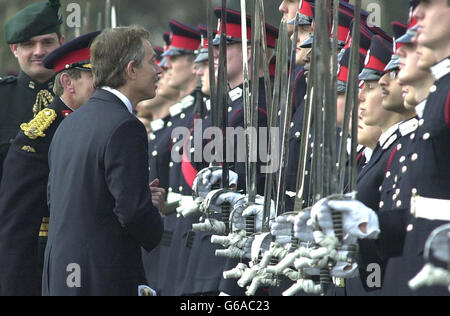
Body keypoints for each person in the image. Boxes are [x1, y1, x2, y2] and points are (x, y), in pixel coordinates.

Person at [42, 26, 165, 296]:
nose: (159, 70)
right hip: (100, 276)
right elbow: (131, 211)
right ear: (131, 70)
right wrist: (155, 225)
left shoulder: (70, 122)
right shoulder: (124, 126)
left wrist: (138, 196)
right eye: (153, 61)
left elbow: (60, 197)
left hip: (62, 274)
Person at [0, 30, 99, 296]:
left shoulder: (101, 124)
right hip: (47, 263)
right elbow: (17, 225)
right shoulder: (43, 133)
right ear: (68, 82)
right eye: (96, 76)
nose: (106, 84)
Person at [0, 0, 65, 182]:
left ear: (62, 43)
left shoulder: (82, 98)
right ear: (15, 49)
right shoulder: (3, 97)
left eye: (47, 42)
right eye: (28, 44)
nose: (39, 51)